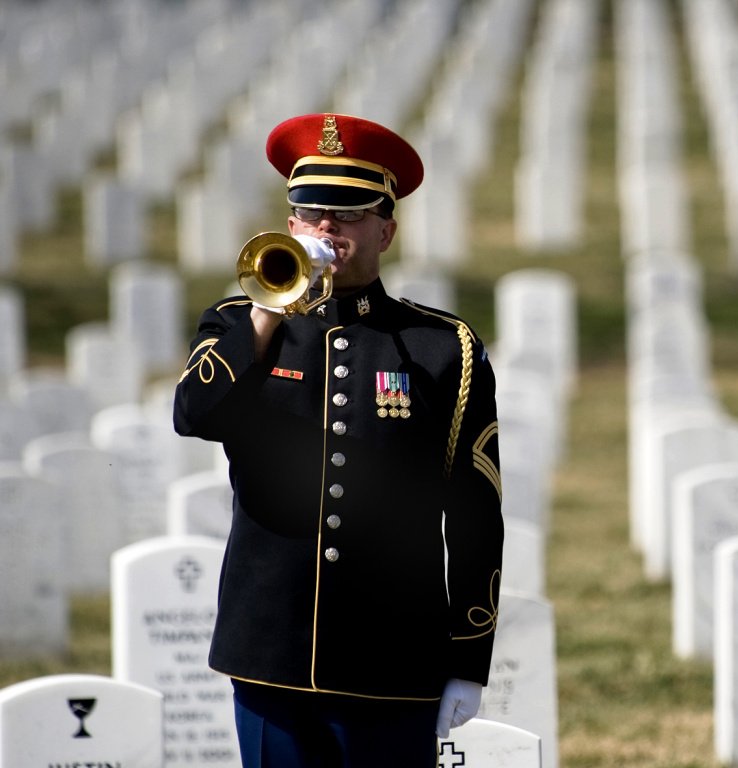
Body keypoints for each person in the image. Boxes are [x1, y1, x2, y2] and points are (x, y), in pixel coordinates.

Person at [173, 113, 503, 768]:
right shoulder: (241, 326)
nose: (328, 227)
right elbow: (194, 414)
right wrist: (267, 311)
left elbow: (472, 515)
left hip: (393, 657)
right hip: (268, 652)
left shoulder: (444, 348)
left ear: (386, 228)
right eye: (311, 210)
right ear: (290, 223)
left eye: (349, 212)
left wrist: (468, 660)